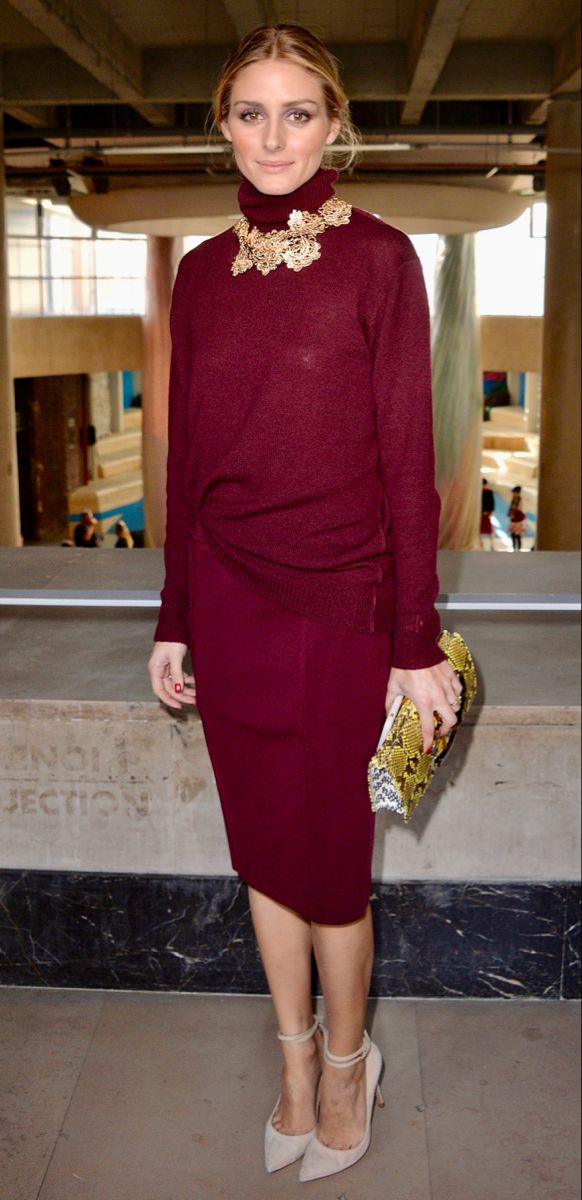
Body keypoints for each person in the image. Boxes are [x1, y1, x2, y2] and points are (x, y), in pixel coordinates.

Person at [147, 23, 462, 1184]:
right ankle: (290, 1057)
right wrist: (173, 616)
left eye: (298, 112)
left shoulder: (380, 257)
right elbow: (184, 469)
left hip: (342, 609)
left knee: (330, 865)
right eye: (250, 112)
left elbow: (407, 463)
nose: (274, 136)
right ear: (222, 123)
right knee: (264, 858)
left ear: (335, 123)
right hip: (228, 601)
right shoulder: (196, 273)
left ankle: (345, 1060)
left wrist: (413, 641)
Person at [480, 477, 496, 550]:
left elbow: (492, 503)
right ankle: (481, 545)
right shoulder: (479, 492)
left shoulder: (489, 492)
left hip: (487, 514)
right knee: (480, 530)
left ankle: (492, 545)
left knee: (490, 530)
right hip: (481, 514)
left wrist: (490, 512)